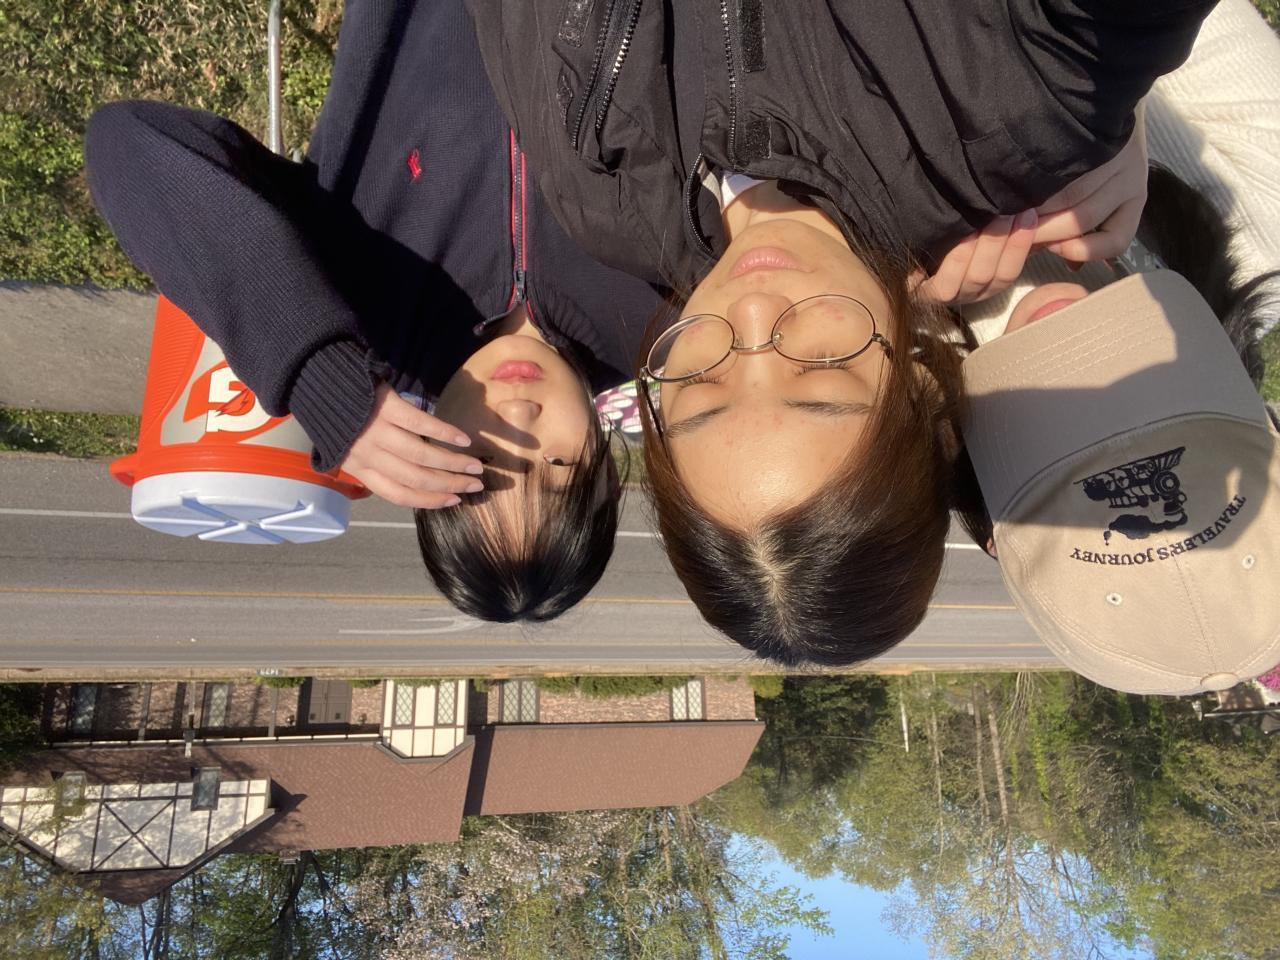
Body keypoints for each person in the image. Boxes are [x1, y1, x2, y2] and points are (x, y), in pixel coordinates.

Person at [463, 0, 1216, 663]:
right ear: (920, 390)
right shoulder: (1026, 108)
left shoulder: (602, 209)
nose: (751, 314)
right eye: (821, 366)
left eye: (702, 383)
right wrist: (1097, 114)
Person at [84, 0, 664, 621]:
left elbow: (126, 144)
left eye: (481, 459)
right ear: (607, 477)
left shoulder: (361, 310)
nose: (521, 416)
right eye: (557, 463)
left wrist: (316, 380)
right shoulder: (660, 301)